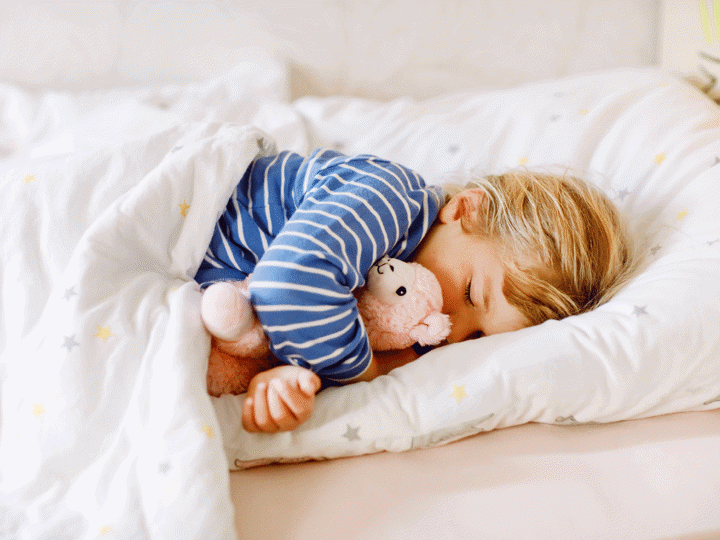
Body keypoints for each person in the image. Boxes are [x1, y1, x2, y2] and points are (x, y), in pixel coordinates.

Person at [195, 148, 636, 433]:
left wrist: (287, 376)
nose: (452, 329)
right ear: (466, 209)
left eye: (476, 337)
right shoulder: (388, 197)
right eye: (470, 293)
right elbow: (287, 287)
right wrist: (369, 372)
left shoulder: (396, 315)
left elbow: (288, 319)